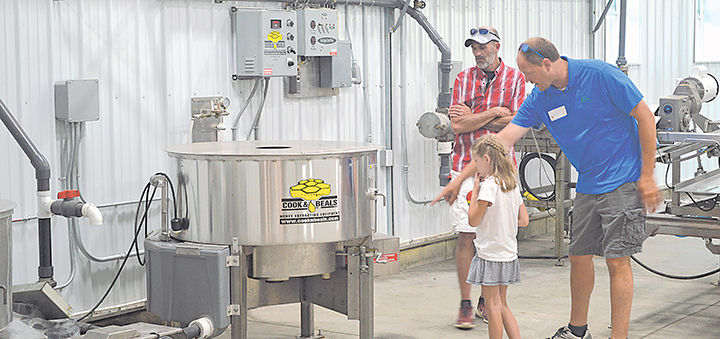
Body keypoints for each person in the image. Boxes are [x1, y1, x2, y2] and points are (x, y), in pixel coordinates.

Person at [496, 37, 662, 339]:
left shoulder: (601, 75)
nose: (527, 80)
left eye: (529, 73)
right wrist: (467, 173)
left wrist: (647, 175)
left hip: (622, 178)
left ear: (547, 64)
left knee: (617, 260)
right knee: (579, 255)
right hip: (589, 182)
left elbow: (645, 117)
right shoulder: (540, 97)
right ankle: (577, 329)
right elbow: (506, 137)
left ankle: (618, 336)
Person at [430, 26, 526, 330]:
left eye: (483, 47)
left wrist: (475, 115)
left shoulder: (515, 78)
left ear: (496, 46)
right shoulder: (463, 79)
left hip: (500, 169)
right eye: (473, 48)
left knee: (500, 234)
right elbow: (457, 126)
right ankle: (466, 302)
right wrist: (494, 112)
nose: (477, 53)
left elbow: (519, 119)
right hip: (465, 164)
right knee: (467, 233)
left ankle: (491, 301)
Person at [466, 134, 529, 339]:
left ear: (486, 159)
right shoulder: (511, 185)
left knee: (492, 306)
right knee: (502, 304)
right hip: (508, 253)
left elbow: (473, 220)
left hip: (490, 254)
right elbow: (524, 220)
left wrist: (475, 190)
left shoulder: (488, 187)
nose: (475, 166)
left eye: (476, 161)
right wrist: (503, 223)